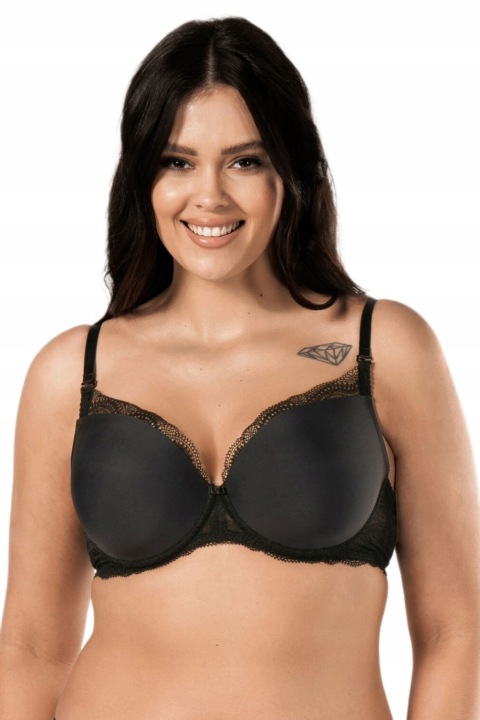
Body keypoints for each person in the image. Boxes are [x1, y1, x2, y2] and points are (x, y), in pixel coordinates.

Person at [0, 16, 479, 720]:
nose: (210, 196)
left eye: (245, 161)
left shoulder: (383, 348)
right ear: (142, 177)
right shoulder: (72, 372)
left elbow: (454, 634)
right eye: (177, 161)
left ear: (292, 169)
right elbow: (32, 649)